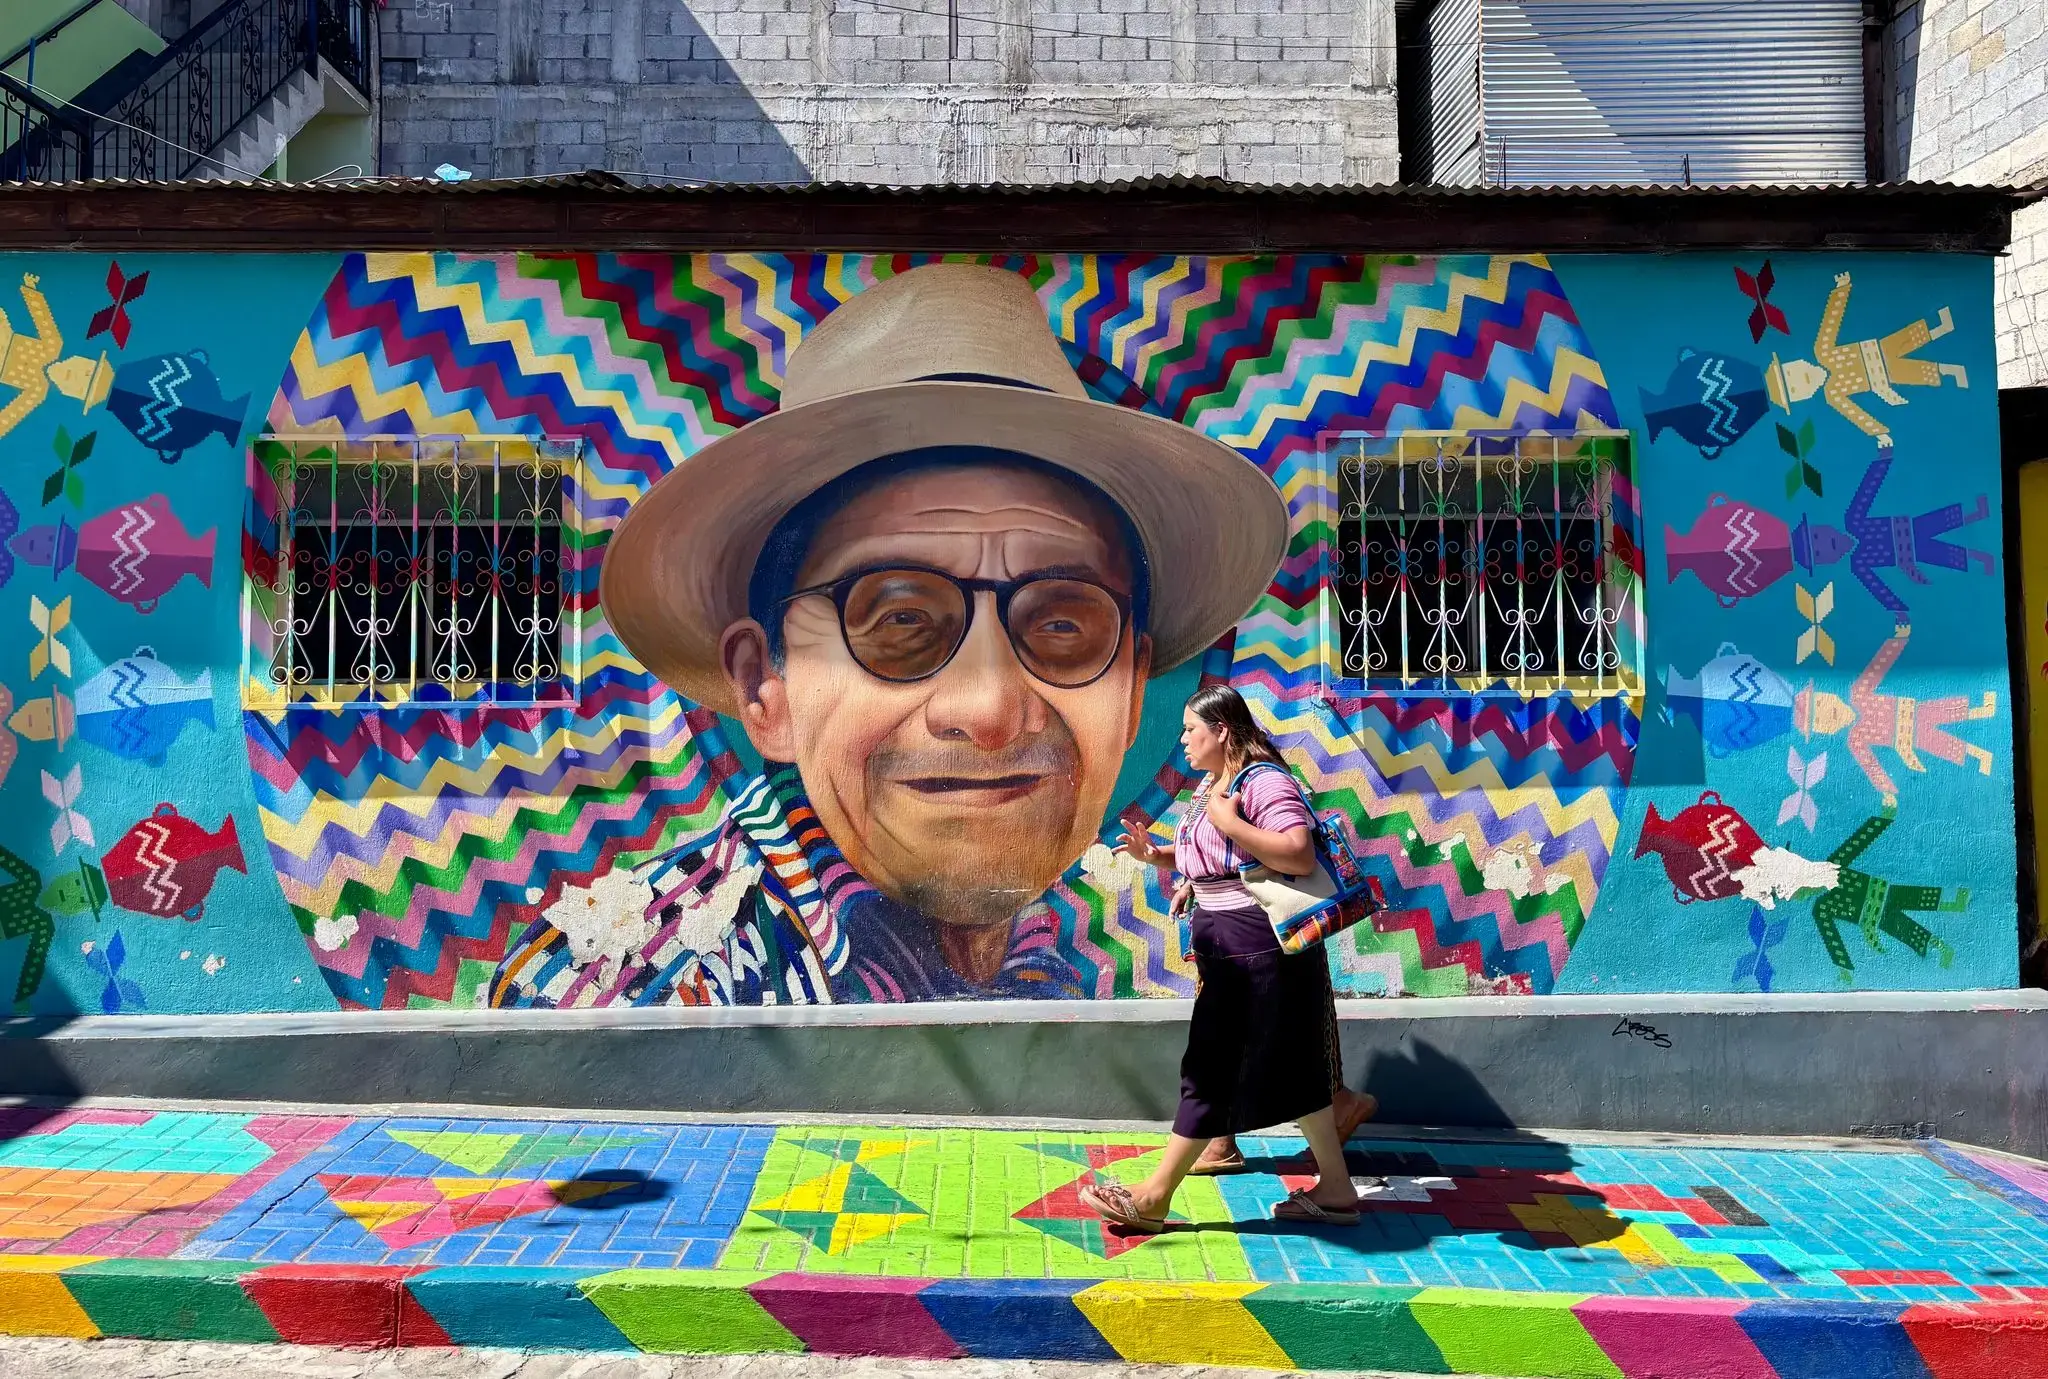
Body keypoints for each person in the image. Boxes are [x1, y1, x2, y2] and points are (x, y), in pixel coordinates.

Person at [494, 262, 1291, 1006]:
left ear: (1131, 694)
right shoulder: (626, 991)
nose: (988, 708)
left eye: (1061, 624)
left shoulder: (1065, 971)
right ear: (764, 688)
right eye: (901, 619)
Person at [1080, 685, 1364, 1230]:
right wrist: (1157, 856)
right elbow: (1218, 859)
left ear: (1222, 731)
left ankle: (1154, 1196)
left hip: (1254, 944)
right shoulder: (1214, 785)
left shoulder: (1262, 781)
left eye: (1191, 729)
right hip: (1228, 941)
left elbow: (1298, 853)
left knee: (1209, 1065)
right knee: (1294, 1065)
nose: (1184, 739)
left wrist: (1229, 821)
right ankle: (1336, 1187)